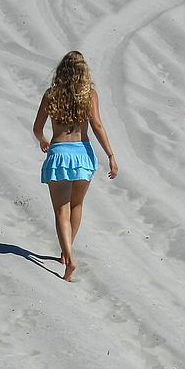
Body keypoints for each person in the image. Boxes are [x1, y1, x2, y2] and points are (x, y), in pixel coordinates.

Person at [33, 51, 118, 282]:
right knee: (77, 205)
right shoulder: (89, 95)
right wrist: (110, 154)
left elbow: (37, 128)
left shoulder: (51, 95)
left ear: (62, 70)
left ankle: (69, 257)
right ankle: (66, 250)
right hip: (83, 154)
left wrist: (42, 140)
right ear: (83, 72)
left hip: (59, 153)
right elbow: (97, 125)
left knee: (61, 210)